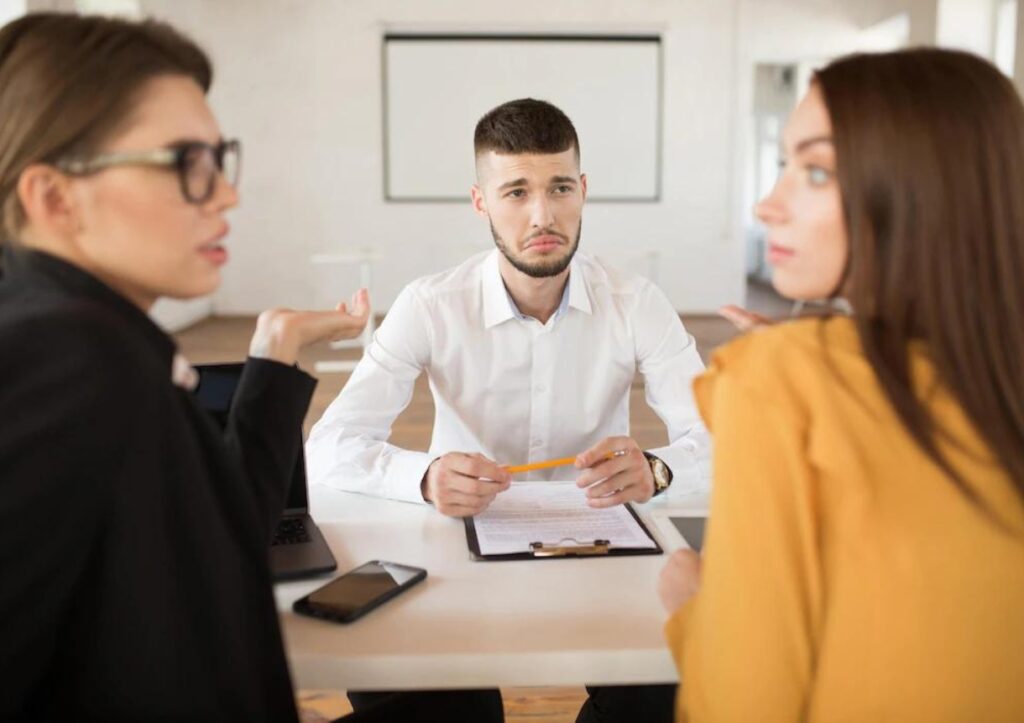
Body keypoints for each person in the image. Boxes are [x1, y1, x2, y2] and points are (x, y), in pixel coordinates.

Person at [0, 13, 489, 722]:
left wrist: (274, 355)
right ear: (53, 198)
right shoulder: (64, 365)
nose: (226, 194)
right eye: (185, 165)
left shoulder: (82, 340)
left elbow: (218, 539)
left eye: (218, 159)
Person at [307, 98, 707, 722]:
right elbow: (330, 445)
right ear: (481, 202)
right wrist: (424, 476)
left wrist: (659, 470)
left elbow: (721, 440)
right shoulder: (431, 304)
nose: (542, 215)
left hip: (602, 544)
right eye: (516, 192)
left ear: (584, 191)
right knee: (424, 699)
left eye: (560, 188)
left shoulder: (638, 302)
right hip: (456, 548)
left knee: (674, 687)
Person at [658, 48, 1024, 722]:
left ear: (924, 188)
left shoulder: (783, 381)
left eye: (817, 171)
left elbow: (742, 707)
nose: (768, 206)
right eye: (784, 166)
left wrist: (692, 609)